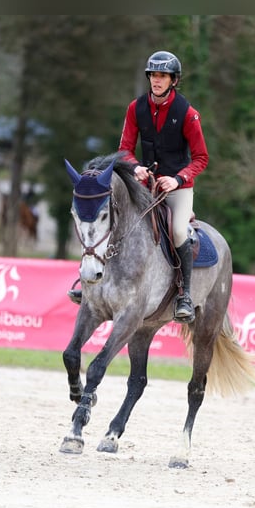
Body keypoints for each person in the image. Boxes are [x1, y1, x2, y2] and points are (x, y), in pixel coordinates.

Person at [69, 50, 209, 323]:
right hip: (145, 185)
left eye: (162, 76)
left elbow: (201, 158)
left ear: (173, 80)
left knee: (179, 230)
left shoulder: (188, 114)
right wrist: (135, 168)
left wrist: (178, 179)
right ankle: (91, 287)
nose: (156, 81)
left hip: (177, 189)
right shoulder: (136, 108)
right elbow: (124, 150)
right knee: (113, 218)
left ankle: (185, 295)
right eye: (153, 75)